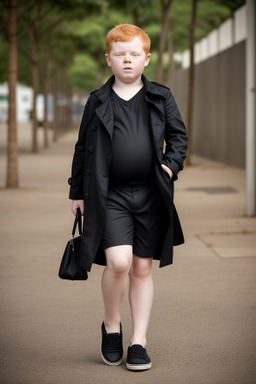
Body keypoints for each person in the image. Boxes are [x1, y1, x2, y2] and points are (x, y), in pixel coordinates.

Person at [68, 24, 187, 371]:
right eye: (120, 54)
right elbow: (81, 148)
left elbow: (179, 136)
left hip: (151, 193)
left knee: (141, 266)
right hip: (110, 195)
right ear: (109, 60)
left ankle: (139, 341)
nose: (128, 60)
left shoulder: (161, 97)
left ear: (147, 59)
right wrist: (76, 191)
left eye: (135, 54)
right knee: (118, 262)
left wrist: (169, 166)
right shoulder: (97, 101)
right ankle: (111, 325)